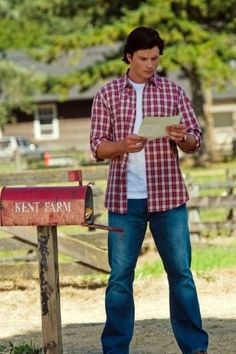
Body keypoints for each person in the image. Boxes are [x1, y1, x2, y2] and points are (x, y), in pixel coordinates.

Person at [90, 26, 208, 354]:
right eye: (143, 58)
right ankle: (115, 349)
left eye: (155, 58)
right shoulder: (108, 94)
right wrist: (121, 146)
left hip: (168, 199)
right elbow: (98, 147)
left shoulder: (173, 92)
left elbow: (195, 141)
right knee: (119, 279)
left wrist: (181, 137)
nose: (150, 65)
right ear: (129, 57)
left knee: (181, 275)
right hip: (124, 202)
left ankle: (195, 348)